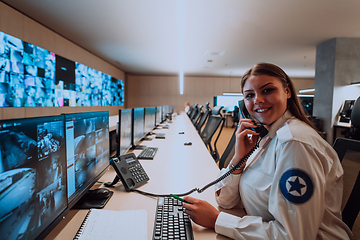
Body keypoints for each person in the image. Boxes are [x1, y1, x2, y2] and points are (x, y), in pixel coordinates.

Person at [182, 63, 352, 239]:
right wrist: (239, 159)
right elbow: (226, 201)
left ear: (287, 91)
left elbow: (293, 236)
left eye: (267, 90)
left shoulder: (294, 143)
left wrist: (217, 220)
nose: (258, 100)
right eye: (249, 95)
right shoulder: (266, 136)